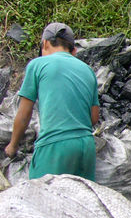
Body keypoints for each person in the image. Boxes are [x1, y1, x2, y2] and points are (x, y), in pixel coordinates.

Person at [4, 22, 100, 181]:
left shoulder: (37, 65)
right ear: (72, 50)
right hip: (86, 147)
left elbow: (24, 114)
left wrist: (12, 147)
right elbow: (94, 117)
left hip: (55, 146)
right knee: (81, 201)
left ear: (45, 43)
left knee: (43, 199)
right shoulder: (87, 70)